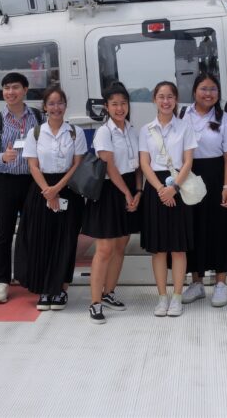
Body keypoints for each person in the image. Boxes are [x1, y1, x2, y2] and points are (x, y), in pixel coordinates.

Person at [16, 85, 87, 311]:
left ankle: (61, 289)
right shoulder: (35, 133)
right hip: (41, 191)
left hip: (68, 190)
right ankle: (45, 289)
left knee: (66, 241)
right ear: (45, 107)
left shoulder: (75, 132)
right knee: (42, 240)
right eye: (52, 103)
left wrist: (56, 188)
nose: (56, 108)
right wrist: (48, 190)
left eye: (60, 103)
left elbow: (77, 165)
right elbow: (32, 165)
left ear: (65, 105)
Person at [82, 81, 142, 324]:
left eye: (123, 103)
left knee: (121, 245)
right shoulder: (104, 132)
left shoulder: (132, 130)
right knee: (104, 249)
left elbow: (138, 164)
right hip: (109, 191)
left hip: (129, 187)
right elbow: (109, 166)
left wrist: (138, 190)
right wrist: (127, 193)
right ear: (106, 107)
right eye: (114, 104)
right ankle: (94, 303)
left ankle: (109, 293)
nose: (120, 108)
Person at [180, 73, 227, 308]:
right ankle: (196, 282)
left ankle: (221, 283)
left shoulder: (225, 119)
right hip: (191, 175)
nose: (208, 93)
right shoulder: (183, 114)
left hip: (217, 177)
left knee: (220, 229)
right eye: (204, 89)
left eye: (213, 89)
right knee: (193, 228)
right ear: (195, 91)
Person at [0, 72, 43, 304]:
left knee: (33, 232)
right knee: (3, 233)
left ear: (25, 90)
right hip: (6, 183)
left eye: (15, 87)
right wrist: (3, 157)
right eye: (6, 88)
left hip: (32, 182)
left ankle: (32, 276)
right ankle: (2, 282)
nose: (10, 92)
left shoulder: (38, 118)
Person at [139, 81, 197, 317]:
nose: (166, 101)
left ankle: (177, 297)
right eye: (161, 97)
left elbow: (188, 161)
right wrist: (161, 189)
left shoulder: (185, 127)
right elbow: (144, 163)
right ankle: (162, 297)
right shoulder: (146, 130)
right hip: (155, 188)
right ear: (154, 99)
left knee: (178, 248)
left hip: (178, 186)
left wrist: (173, 189)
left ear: (176, 100)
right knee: (159, 249)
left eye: (170, 97)